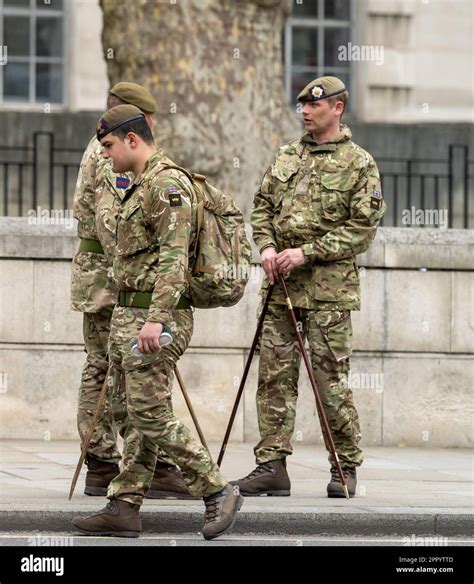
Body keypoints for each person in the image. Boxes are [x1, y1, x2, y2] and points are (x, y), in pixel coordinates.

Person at [72, 105, 242, 540]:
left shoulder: (166, 185)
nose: (104, 154)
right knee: (133, 410)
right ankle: (125, 506)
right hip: (132, 313)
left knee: (148, 413)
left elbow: (173, 261)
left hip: (156, 317)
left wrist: (157, 321)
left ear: (133, 140)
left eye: (108, 146)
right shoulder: (140, 184)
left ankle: (216, 489)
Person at [231, 76, 386, 498]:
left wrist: (307, 252)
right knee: (274, 377)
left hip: (328, 294)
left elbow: (362, 229)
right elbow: (261, 207)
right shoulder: (286, 157)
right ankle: (271, 465)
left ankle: (343, 467)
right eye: (302, 105)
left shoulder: (359, 164)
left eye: (314, 105)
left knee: (328, 380)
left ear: (337, 108)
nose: (305, 111)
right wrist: (264, 247)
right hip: (281, 290)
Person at [71, 82, 194, 499]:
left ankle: (109, 463)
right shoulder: (113, 155)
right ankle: (117, 462)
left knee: (105, 366)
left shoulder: (99, 145)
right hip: (110, 276)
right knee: (118, 370)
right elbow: (116, 226)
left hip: (97, 271)